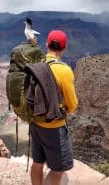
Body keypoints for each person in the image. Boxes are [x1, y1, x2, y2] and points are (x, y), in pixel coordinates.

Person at [30, 30, 78, 185]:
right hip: (54, 127)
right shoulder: (64, 71)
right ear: (64, 48)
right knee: (58, 169)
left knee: (37, 162)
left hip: (36, 123)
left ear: (47, 45)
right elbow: (72, 105)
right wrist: (60, 111)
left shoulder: (36, 66)